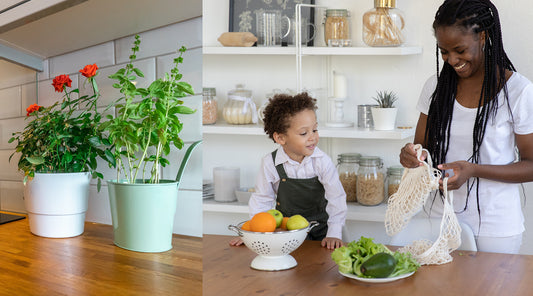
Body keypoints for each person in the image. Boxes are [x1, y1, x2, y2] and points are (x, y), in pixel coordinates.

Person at [400, 0, 533, 254]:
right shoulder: (435, 87)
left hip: (496, 227)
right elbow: (422, 149)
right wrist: (412, 155)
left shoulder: (518, 91)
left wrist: (473, 170)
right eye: (444, 52)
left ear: (482, 36)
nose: (451, 60)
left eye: (459, 49)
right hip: (440, 221)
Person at [229, 92, 347, 249]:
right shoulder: (269, 163)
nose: (312, 137)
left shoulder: (322, 161)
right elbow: (262, 199)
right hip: (286, 234)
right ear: (280, 138)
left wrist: (334, 233)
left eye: (315, 129)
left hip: (323, 233)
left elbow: (336, 198)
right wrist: (253, 233)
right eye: (304, 133)